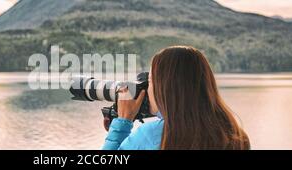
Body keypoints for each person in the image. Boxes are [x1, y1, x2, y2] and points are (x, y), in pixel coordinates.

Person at [103, 46, 250, 150]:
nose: (148, 89)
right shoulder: (233, 133)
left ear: (165, 88)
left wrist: (122, 122)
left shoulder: (153, 134)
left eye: (150, 81)